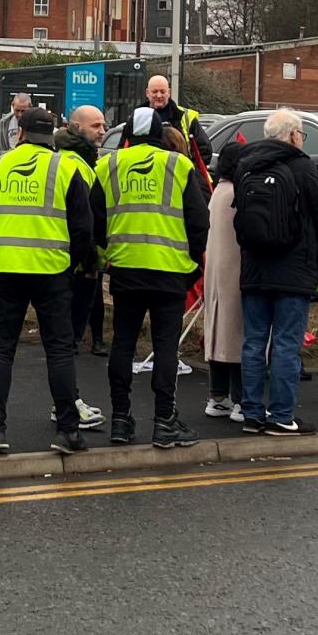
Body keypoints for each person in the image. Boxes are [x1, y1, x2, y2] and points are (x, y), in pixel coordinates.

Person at [0, 106, 99, 455]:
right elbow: (82, 228)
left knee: (1, 350)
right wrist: (71, 263)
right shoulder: (66, 167)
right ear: (53, 135)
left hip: (3, 266)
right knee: (59, 350)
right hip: (51, 270)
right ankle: (68, 432)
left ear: (20, 133)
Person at [231, 107, 318, 437]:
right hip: (294, 268)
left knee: (254, 342)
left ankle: (252, 413)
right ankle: (281, 415)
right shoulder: (300, 166)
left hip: (255, 268)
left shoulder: (246, 164)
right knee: (287, 344)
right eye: (300, 134)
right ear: (291, 135)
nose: (301, 139)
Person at [101, 107, 212, 448]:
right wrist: (193, 261)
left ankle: (120, 420)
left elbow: (94, 217)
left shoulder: (108, 164)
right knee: (165, 347)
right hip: (169, 270)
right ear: (161, 135)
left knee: (123, 342)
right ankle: (165, 422)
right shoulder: (178, 165)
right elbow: (199, 221)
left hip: (125, 267)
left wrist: (107, 257)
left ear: (129, 134)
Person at [57, 105, 111, 357]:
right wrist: (89, 254)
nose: (103, 131)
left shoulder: (73, 158)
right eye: (96, 126)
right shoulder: (75, 164)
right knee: (68, 335)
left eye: (103, 125)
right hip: (76, 256)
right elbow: (88, 215)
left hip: (70, 254)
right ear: (76, 128)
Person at [200, 144, 246, 420]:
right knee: (237, 335)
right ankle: (241, 400)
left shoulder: (218, 191)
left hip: (215, 273)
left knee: (217, 333)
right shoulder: (237, 194)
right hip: (236, 272)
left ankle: (218, 397)